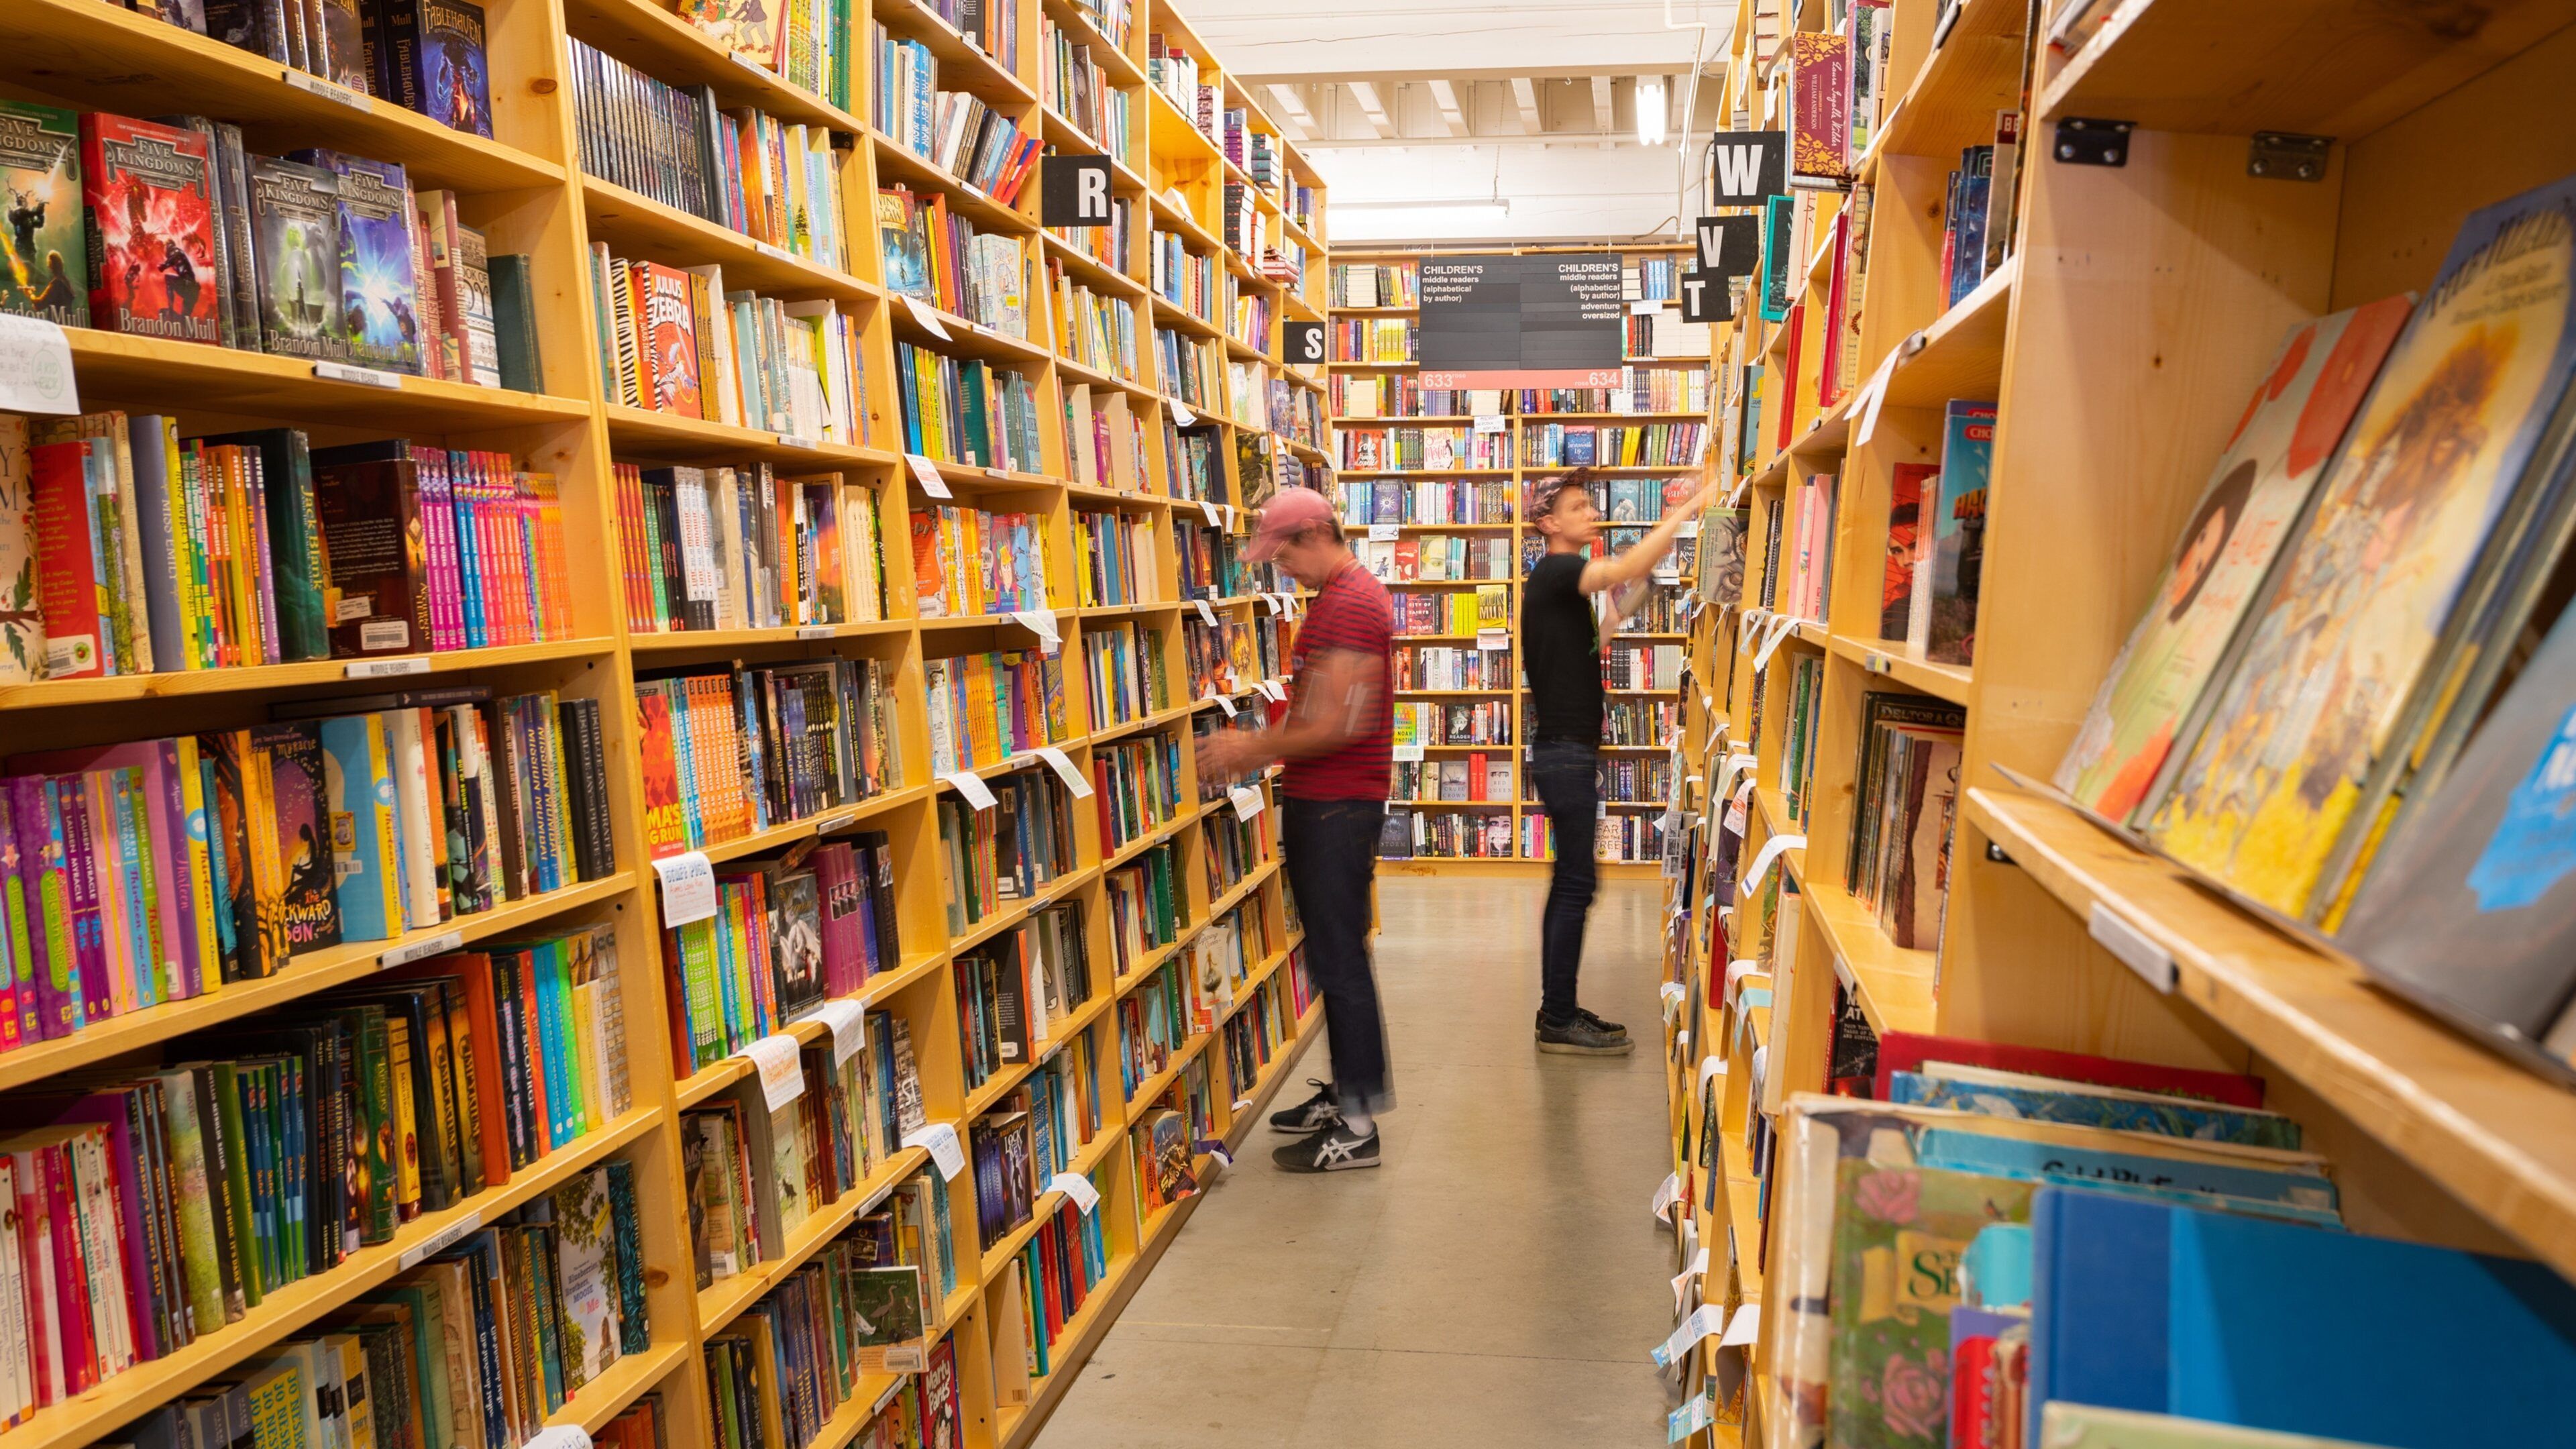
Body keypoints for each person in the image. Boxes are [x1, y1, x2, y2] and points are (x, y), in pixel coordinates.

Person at [1195, 486, 1396, 1173]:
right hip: (1331, 802)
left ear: (1315, 534)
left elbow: (1340, 721)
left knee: (1341, 961)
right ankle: (1346, 1094)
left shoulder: (1350, 605)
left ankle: (1359, 1127)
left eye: (1283, 554)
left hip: (1337, 806)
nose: (1281, 570)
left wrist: (1246, 749)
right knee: (1334, 955)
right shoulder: (1345, 597)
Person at [1520, 466, 1726, 1055]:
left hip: (1568, 752)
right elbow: (1624, 569)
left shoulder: (1562, 585)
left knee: (1576, 882)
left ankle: (1558, 1008)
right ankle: (1556, 1016)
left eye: (1591, 504)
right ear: (1549, 523)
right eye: (1580, 506)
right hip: (1564, 754)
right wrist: (1688, 511)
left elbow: (1603, 630)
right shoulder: (1559, 570)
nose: (1592, 513)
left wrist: (1647, 587)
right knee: (1575, 884)